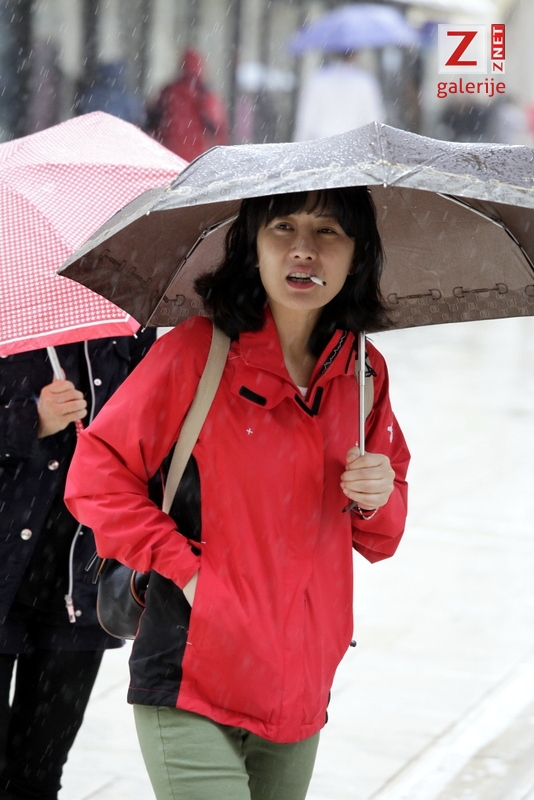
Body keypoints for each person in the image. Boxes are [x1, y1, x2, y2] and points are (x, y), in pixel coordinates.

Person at [64, 187, 410, 800]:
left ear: (358, 254)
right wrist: (190, 574)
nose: (304, 249)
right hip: (192, 668)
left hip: (300, 681)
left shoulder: (363, 371)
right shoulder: (198, 350)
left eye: (328, 231)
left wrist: (377, 493)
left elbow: (380, 537)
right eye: (283, 227)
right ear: (253, 245)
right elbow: (98, 475)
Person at [0, 331, 155, 800]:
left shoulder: (129, 320)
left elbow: (159, 432)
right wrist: (31, 419)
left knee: (37, 775)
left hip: (80, 585)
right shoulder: (14, 309)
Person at [149, 48, 229, 161]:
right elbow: (217, 129)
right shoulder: (204, 95)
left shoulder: (168, 92)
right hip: (196, 157)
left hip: (170, 154)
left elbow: (154, 123)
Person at [293, 52, 386, 141]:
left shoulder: (318, 79)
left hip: (322, 143)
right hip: (354, 145)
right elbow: (374, 121)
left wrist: (298, 145)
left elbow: (306, 121)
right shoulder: (365, 81)